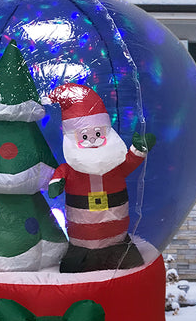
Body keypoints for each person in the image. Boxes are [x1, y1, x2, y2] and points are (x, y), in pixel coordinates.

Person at [47, 83, 155, 272]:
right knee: (74, 273)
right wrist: (57, 183)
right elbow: (61, 174)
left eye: (98, 134)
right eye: (85, 136)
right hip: (81, 244)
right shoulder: (70, 169)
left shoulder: (114, 164)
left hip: (117, 241)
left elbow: (128, 163)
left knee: (129, 266)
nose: (93, 140)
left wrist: (139, 149)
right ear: (73, 138)